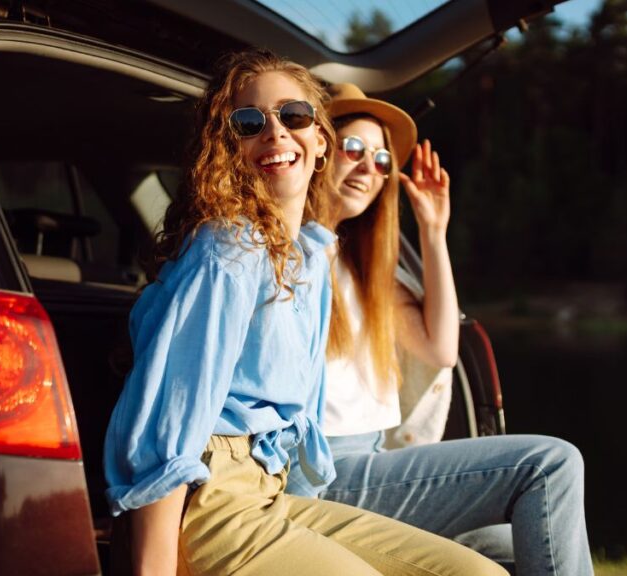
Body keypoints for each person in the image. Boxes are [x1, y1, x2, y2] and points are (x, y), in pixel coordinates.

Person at [103, 50, 507, 576]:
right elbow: (165, 431)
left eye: (293, 116)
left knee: (480, 572)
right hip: (212, 504)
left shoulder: (310, 259)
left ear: (320, 142)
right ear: (230, 149)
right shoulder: (228, 251)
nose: (275, 132)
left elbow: (306, 420)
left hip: (271, 495)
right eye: (249, 123)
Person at [286, 83, 594, 576]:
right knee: (550, 465)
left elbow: (441, 347)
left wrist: (433, 231)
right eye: (355, 149)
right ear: (318, 150)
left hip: (374, 459)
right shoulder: (289, 253)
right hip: (325, 474)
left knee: (516, 547)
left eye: (383, 160)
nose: (370, 167)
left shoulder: (365, 269)